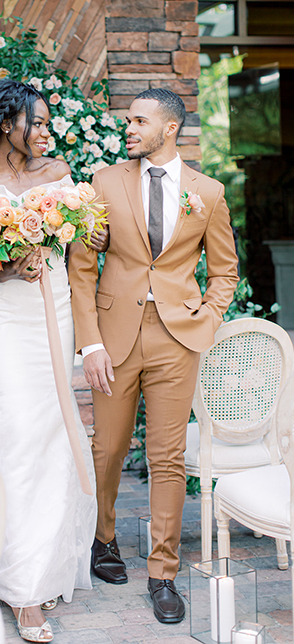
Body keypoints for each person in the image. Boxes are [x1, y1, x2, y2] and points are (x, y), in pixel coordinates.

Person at [68, 88, 239, 624]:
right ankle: (104, 540)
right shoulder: (103, 183)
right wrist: (90, 340)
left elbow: (225, 269)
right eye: (128, 120)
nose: (129, 128)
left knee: (166, 458)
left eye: (139, 120)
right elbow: (81, 264)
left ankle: (163, 573)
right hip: (114, 338)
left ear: (170, 128)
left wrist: (206, 319)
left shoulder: (207, 192)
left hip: (177, 338)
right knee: (109, 448)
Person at [0, 79, 97, 643]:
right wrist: (12, 265)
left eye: (45, 123)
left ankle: (39, 563)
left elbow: (81, 244)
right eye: (33, 122)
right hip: (8, 318)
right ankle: (23, 589)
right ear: (5, 123)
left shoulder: (58, 176)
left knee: (52, 431)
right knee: (18, 426)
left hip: (54, 311)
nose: (44, 132)